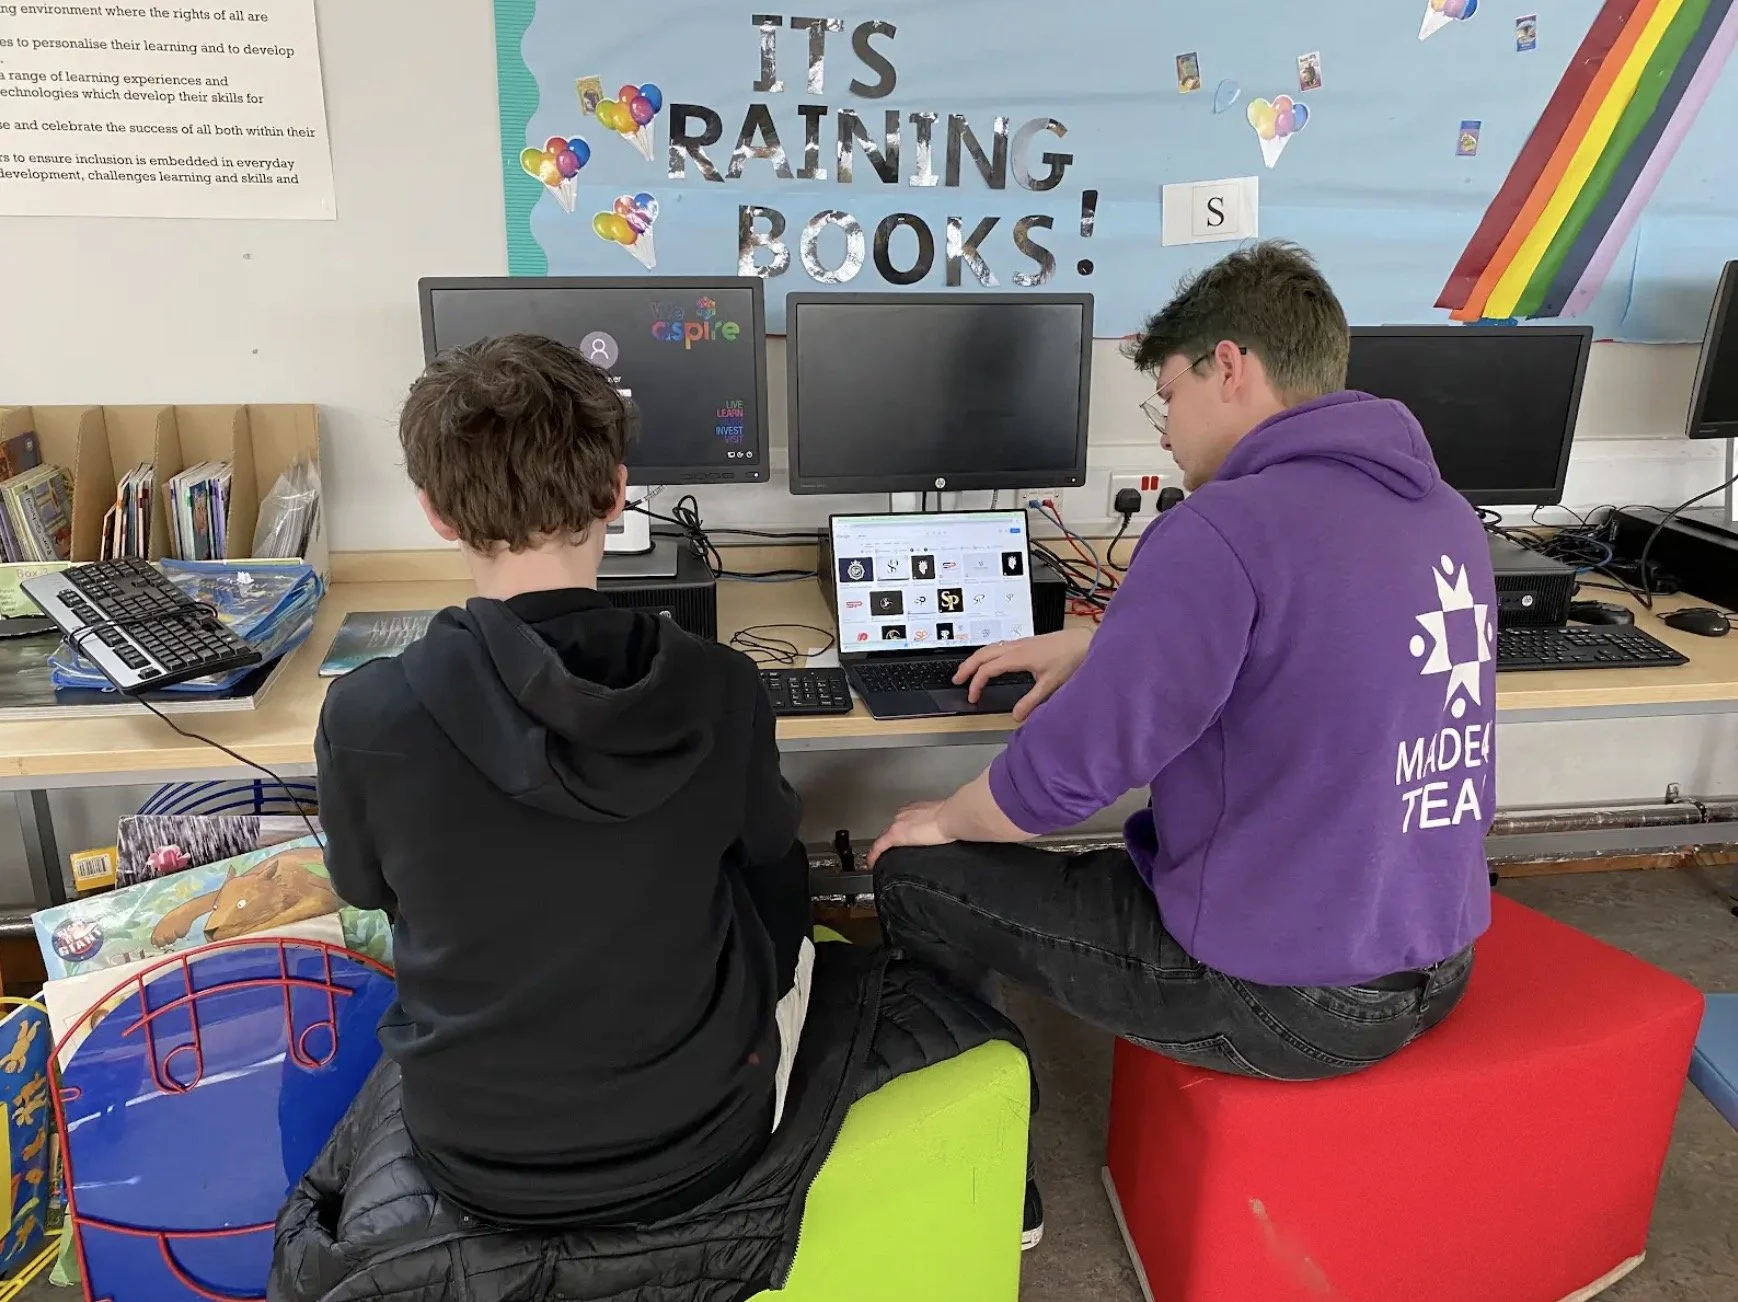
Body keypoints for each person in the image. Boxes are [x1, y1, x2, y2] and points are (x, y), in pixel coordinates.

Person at [871, 241, 1495, 1235]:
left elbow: (1072, 775)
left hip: (1287, 1002)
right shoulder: (1443, 515)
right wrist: (1116, 645)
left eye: (1169, 396)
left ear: (1231, 366)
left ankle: (994, 1181)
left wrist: (942, 818)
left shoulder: (1223, 528)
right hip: (1437, 962)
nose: (1167, 435)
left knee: (917, 877)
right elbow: (1316, 648)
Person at [316, 334, 813, 1228]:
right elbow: (773, 868)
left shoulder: (366, 716)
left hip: (477, 1158)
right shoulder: (723, 686)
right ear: (618, 492)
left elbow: (367, 893)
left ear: (434, 512)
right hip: (705, 1141)